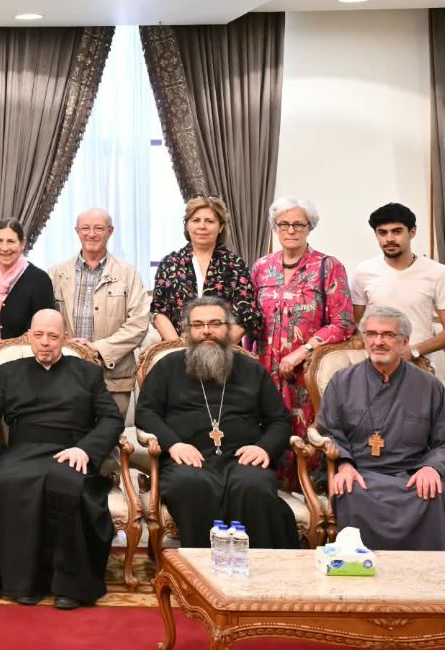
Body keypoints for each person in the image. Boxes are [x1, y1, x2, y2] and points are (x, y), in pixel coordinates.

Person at [0, 309, 123, 610]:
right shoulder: (9, 372)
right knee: (6, 483)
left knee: (66, 484)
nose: (45, 342)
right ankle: (21, 582)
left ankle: (69, 585)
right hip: (22, 450)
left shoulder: (88, 373)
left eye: (53, 336)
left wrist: (85, 450)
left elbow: (111, 419)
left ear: (65, 338)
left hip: (71, 451)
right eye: (38, 335)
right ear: (29, 337)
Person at [135, 296, 298, 550]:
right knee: (192, 484)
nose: (206, 331)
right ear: (187, 330)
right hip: (187, 460)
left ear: (228, 328)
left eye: (215, 323)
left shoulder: (252, 369)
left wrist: (263, 448)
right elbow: (146, 413)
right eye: (198, 325)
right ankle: (200, 569)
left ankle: (258, 567)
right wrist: (174, 444)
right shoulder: (168, 367)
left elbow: (279, 419)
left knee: (253, 485)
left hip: (241, 459)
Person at [319, 306, 445, 550]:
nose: (378, 342)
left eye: (388, 335)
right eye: (372, 334)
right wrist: (344, 464)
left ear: (404, 342)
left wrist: (431, 467)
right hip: (359, 471)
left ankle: (424, 572)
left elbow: (443, 440)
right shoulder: (342, 382)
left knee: (432, 492)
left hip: (411, 473)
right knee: (350, 490)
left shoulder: (429, 386)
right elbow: (328, 431)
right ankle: (360, 568)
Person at [250, 197, 354, 487]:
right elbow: (250, 319)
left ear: (310, 227)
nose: (291, 230)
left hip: (305, 372)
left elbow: (343, 323)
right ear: (275, 227)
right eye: (283, 224)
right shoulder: (261, 267)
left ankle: (306, 494)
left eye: (298, 224)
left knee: (304, 435)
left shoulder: (328, 267)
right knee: (262, 428)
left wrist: (304, 350)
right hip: (264, 369)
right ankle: (265, 492)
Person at [49, 208, 150, 414]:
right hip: (64, 371)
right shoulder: (56, 273)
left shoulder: (128, 273)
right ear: (77, 231)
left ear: (110, 231)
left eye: (98, 228)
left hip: (113, 376)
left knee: (110, 431)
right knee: (66, 430)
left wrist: (97, 348)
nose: (91, 234)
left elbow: (139, 324)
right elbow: (46, 319)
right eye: (85, 228)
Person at [349, 202, 445, 379]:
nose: (389, 239)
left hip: (419, 367)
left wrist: (413, 351)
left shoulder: (437, 273)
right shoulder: (364, 271)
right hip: (374, 367)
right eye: (382, 233)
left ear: (412, 232)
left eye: (397, 231)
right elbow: (352, 324)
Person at [151, 196, 260, 345]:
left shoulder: (235, 265)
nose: (202, 226)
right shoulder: (169, 264)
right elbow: (158, 311)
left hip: (225, 349)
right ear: (187, 225)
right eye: (196, 220)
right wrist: (178, 347)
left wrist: (220, 346)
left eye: (209, 221)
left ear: (220, 227)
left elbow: (246, 314)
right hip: (177, 348)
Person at [0, 220, 55, 342]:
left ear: (22, 244)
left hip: (25, 352)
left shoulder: (39, 279)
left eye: (11, 241)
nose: (4, 248)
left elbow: (45, 327)